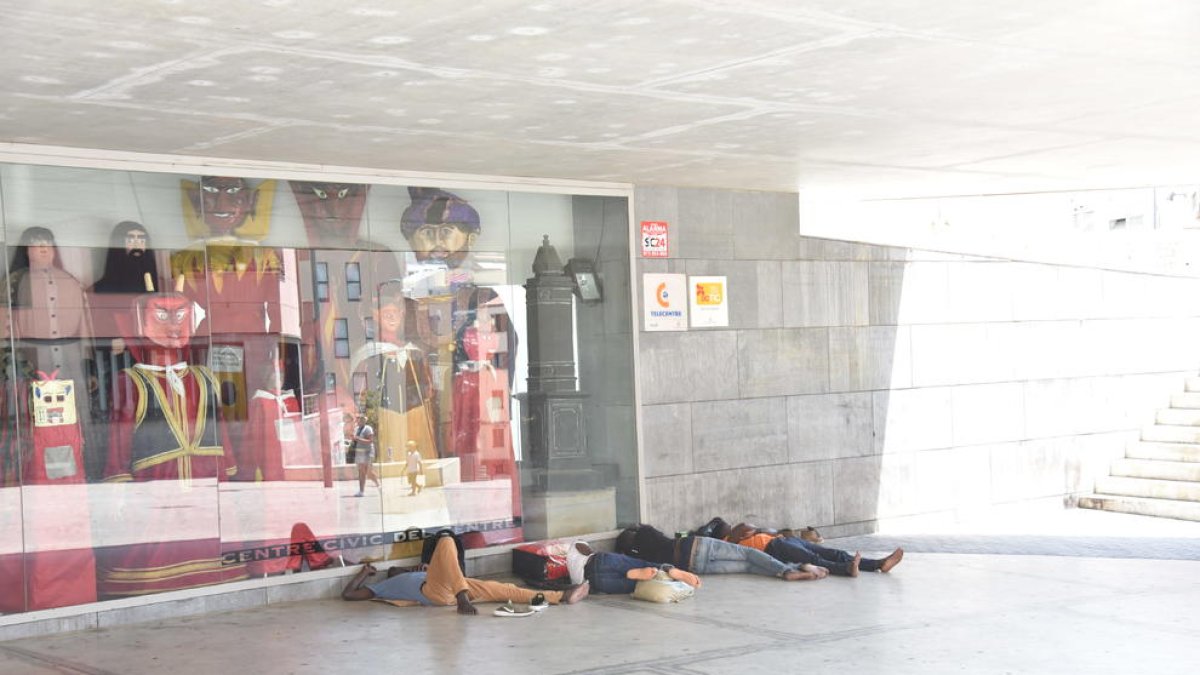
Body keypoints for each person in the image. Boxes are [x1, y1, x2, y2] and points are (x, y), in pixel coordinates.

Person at [342, 533, 589, 613]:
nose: (402, 569)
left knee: (504, 589)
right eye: (398, 569)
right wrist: (364, 572)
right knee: (446, 540)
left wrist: (424, 568)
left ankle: (560, 596)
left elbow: (422, 569)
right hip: (438, 593)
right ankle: (463, 597)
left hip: (448, 585)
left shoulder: (419, 573)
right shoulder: (386, 586)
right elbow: (349, 595)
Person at [616, 524, 822, 581]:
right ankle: (789, 570)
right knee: (748, 554)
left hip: (693, 566)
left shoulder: (640, 558)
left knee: (747, 567)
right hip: (696, 545)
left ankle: (792, 569)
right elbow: (653, 531)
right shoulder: (645, 533)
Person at [726, 522, 903, 577]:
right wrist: (757, 530)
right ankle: (847, 570)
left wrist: (760, 530)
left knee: (834, 553)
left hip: (786, 540)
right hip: (775, 547)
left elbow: (772, 530)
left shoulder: (745, 534)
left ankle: (878, 564)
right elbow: (747, 527)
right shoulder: (729, 540)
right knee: (814, 558)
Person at [566, 541, 700, 595]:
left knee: (635, 585)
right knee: (642, 564)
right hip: (598, 560)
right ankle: (669, 570)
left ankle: (642, 579)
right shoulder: (571, 547)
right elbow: (582, 546)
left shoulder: (560, 576)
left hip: (592, 581)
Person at [349, 414, 380, 497]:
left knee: (368, 472)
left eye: (362, 419)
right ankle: (361, 491)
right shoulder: (357, 429)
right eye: (359, 419)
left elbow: (370, 441)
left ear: (365, 420)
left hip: (368, 452)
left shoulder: (368, 429)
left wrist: (358, 438)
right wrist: (353, 438)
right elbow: (355, 439)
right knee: (361, 472)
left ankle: (378, 485)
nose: (360, 420)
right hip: (360, 452)